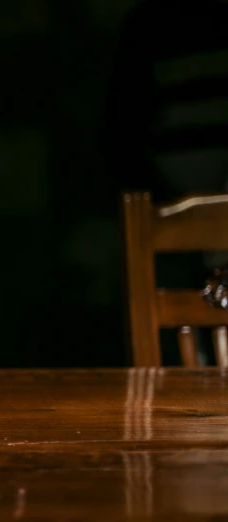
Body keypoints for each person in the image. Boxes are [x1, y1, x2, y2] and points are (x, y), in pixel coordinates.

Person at [105, 0, 228, 364]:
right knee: (179, 350)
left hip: (213, 209)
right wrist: (164, 208)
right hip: (168, 214)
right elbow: (120, 131)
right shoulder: (149, 24)